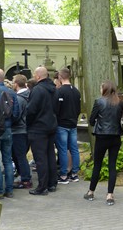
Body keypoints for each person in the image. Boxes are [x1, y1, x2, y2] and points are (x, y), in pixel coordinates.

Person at [83, 81, 123, 205]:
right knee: (112, 165)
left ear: (104, 89)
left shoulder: (99, 101)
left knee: (97, 164)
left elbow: (91, 120)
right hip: (115, 136)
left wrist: (97, 122)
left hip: (102, 136)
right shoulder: (119, 102)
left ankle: (91, 191)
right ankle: (110, 194)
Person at [27, 67, 58, 196]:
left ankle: (42, 186)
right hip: (51, 125)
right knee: (50, 155)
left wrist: (29, 123)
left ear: (38, 76)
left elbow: (31, 110)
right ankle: (52, 183)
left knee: (40, 158)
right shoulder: (54, 89)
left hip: (38, 127)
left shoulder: (37, 90)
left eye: (35, 74)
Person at [0, 68, 20, 198]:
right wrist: (9, 123)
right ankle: (9, 189)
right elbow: (16, 113)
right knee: (8, 160)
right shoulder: (12, 92)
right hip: (8, 129)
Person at [55, 68, 82, 184]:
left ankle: (64, 174)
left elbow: (57, 109)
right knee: (74, 149)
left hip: (62, 124)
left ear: (60, 77)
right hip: (73, 123)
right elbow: (78, 109)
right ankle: (74, 174)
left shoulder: (60, 91)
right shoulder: (76, 91)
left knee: (63, 149)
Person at [11, 74, 32, 189]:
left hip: (18, 130)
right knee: (21, 155)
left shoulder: (19, 98)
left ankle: (25, 179)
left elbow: (16, 115)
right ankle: (23, 176)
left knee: (20, 156)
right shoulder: (30, 95)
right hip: (27, 128)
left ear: (16, 84)